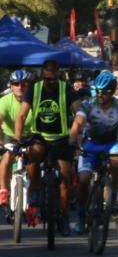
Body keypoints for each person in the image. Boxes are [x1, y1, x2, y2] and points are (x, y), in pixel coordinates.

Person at [69, 72, 118, 235]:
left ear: (112, 91)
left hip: (110, 144)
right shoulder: (88, 105)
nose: (100, 95)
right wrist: (73, 140)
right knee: (84, 179)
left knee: (117, 160)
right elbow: (77, 124)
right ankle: (80, 217)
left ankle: (113, 197)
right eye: (97, 91)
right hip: (90, 145)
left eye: (104, 92)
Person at [13, 59, 79, 234]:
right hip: (40, 136)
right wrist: (18, 139)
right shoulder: (34, 89)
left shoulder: (66, 88)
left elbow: (78, 112)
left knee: (66, 176)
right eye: (48, 79)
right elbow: (21, 115)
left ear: (58, 76)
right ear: (43, 76)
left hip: (62, 138)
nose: (51, 82)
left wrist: (77, 132)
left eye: (54, 79)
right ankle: (35, 192)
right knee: (33, 155)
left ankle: (64, 217)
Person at [0, 70, 33, 206]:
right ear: (11, 86)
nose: (20, 87)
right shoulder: (4, 101)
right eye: (16, 84)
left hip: (31, 135)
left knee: (34, 160)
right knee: (7, 157)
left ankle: (34, 195)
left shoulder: (34, 100)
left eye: (24, 84)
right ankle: (3, 190)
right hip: (10, 136)